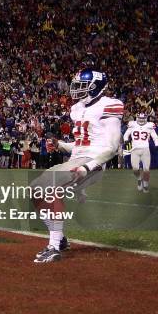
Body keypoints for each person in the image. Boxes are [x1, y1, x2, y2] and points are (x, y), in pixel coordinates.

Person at [31, 69, 123, 263]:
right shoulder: (78, 108)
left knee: (48, 187)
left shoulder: (110, 105)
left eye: (82, 85)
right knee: (36, 190)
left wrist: (88, 167)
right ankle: (60, 240)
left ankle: (54, 247)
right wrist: (60, 145)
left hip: (93, 162)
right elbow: (81, 144)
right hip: (77, 160)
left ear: (95, 86)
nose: (76, 89)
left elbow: (112, 147)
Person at [123, 113, 158, 192]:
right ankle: (139, 179)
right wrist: (126, 140)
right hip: (135, 150)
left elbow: (155, 137)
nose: (142, 120)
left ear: (146, 118)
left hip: (145, 149)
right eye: (140, 118)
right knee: (135, 169)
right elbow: (126, 134)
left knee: (146, 169)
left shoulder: (149, 126)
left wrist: (157, 144)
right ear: (137, 118)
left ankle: (145, 185)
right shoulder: (132, 125)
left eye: (143, 118)